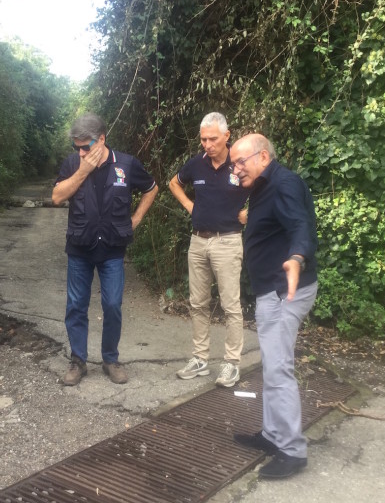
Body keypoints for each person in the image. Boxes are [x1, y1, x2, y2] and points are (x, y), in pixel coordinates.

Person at [229, 133, 318, 479]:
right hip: (271, 291)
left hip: (285, 291)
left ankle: (292, 451)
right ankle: (272, 434)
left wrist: (296, 257)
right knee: (272, 364)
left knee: (279, 369)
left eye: (241, 161)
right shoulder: (265, 186)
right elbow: (278, 219)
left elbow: (301, 224)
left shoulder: (285, 183)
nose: (236, 169)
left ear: (263, 157)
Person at [52, 113, 158, 386]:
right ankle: (78, 361)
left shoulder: (126, 164)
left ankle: (110, 359)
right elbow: (57, 196)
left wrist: (136, 219)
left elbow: (152, 189)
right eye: (77, 147)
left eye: (86, 146)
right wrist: (83, 170)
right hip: (80, 246)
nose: (81, 151)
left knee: (112, 305)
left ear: (102, 139)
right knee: (76, 305)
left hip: (112, 247)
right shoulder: (72, 163)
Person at [169, 112, 250, 387]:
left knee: (230, 305)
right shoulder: (196, 164)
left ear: (227, 136)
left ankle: (231, 363)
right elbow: (174, 183)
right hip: (198, 241)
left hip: (227, 241)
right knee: (198, 303)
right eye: (203, 139)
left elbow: (267, 188)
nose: (207, 144)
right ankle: (201, 359)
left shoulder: (239, 163)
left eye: (213, 139)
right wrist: (191, 206)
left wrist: (252, 211)